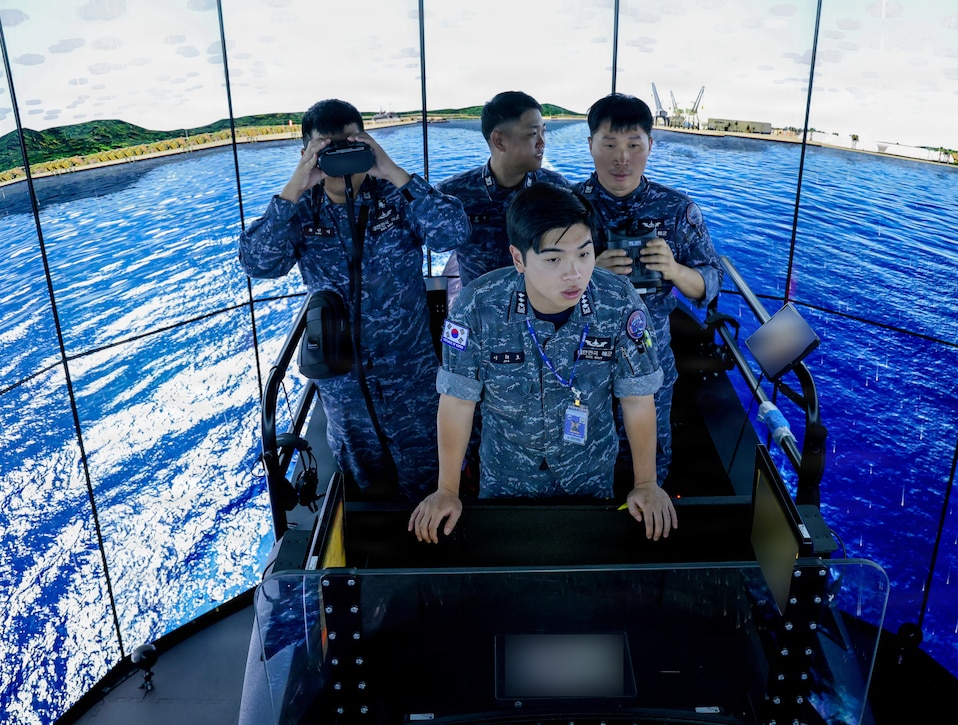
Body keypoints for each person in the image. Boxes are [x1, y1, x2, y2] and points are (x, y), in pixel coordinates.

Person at [409, 182, 678, 544]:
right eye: (553, 259)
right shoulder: (477, 306)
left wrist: (645, 483)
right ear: (519, 259)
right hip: (507, 481)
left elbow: (637, 398)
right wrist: (447, 489)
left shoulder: (617, 301)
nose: (574, 273)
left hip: (589, 478)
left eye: (584, 255)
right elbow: (458, 402)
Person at [239, 98, 469, 501]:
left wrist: (389, 168)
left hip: (410, 380)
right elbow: (258, 263)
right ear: (308, 153)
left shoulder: (396, 199)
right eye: (328, 149)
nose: (342, 157)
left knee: (428, 482)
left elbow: (453, 233)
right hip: (344, 389)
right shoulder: (302, 210)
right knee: (365, 493)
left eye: (351, 145)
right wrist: (296, 184)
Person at [575, 93, 725, 486]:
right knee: (582, 460)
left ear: (649, 147)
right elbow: (533, 286)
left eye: (633, 145)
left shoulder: (676, 210)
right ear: (590, 145)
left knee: (650, 465)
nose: (621, 158)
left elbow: (708, 283)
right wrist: (590, 270)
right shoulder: (568, 206)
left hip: (649, 360)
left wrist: (674, 269)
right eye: (609, 145)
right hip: (581, 363)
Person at [434, 91, 569, 301]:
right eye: (532, 134)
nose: (542, 142)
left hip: (540, 311)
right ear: (499, 141)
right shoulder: (454, 193)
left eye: (544, 132)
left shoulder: (557, 190)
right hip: (479, 313)